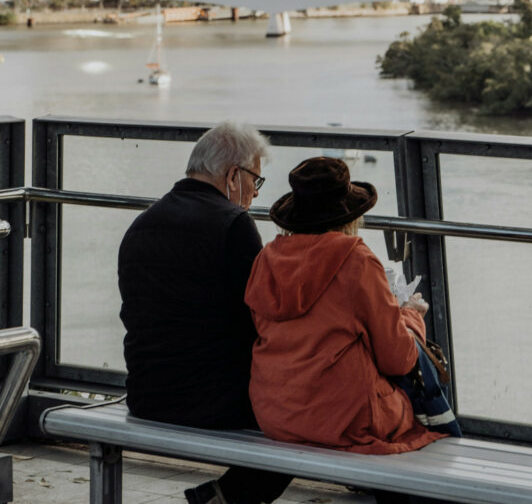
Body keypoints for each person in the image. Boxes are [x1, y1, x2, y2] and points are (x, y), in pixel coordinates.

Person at [245, 156, 446, 504]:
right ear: (349, 215)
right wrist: (412, 317)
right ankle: (446, 481)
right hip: (343, 418)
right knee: (423, 372)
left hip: (275, 412)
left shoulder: (267, 259)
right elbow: (398, 358)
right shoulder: (355, 258)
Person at [118, 121, 291, 504]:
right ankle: (228, 496)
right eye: (255, 182)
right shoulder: (233, 225)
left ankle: (223, 496)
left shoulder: (142, 224)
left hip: (147, 394)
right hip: (211, 402)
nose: (253, 196)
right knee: (303, 411)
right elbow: (260, 320)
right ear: (233, 175)